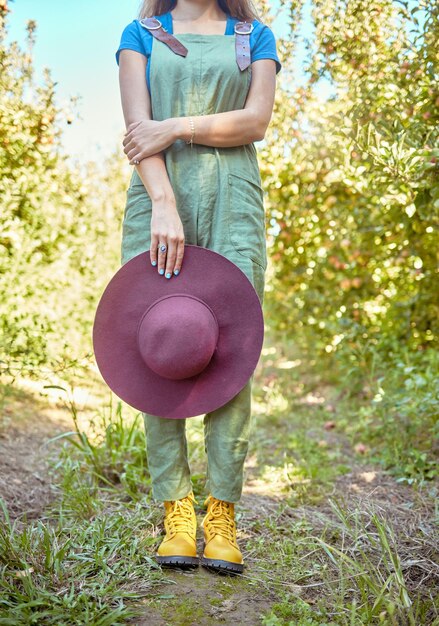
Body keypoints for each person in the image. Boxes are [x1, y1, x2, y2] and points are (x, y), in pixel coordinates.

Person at [116, 0, 281, 574]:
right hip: (157, 200)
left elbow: (255, 122)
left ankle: (223, 516)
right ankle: (177, 514)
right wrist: (163, 202)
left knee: (230, 352)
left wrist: (177, 126)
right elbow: (139, 133)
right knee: (159, 349)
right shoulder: (140, 33)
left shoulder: (253, 35)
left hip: (234, 203)